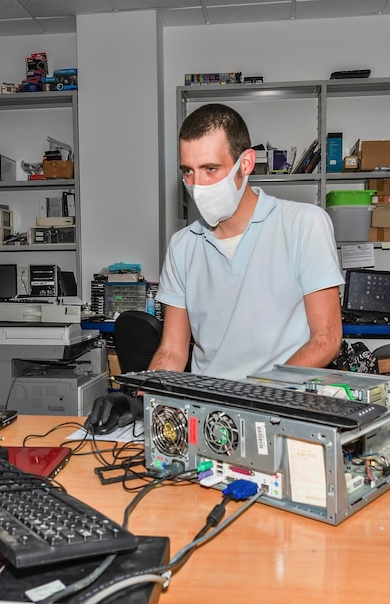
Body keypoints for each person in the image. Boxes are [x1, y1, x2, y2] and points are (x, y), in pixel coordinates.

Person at [86, 103, 344, 432]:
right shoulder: (183, 246)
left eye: (210, 169)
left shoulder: (304, 225)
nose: (197, 185)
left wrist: (255, 396)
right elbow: (173, 349)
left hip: (285, 411)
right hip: (210, 418)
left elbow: (326, 339)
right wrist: (139, 396)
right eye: (188, 171)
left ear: (245, 163)